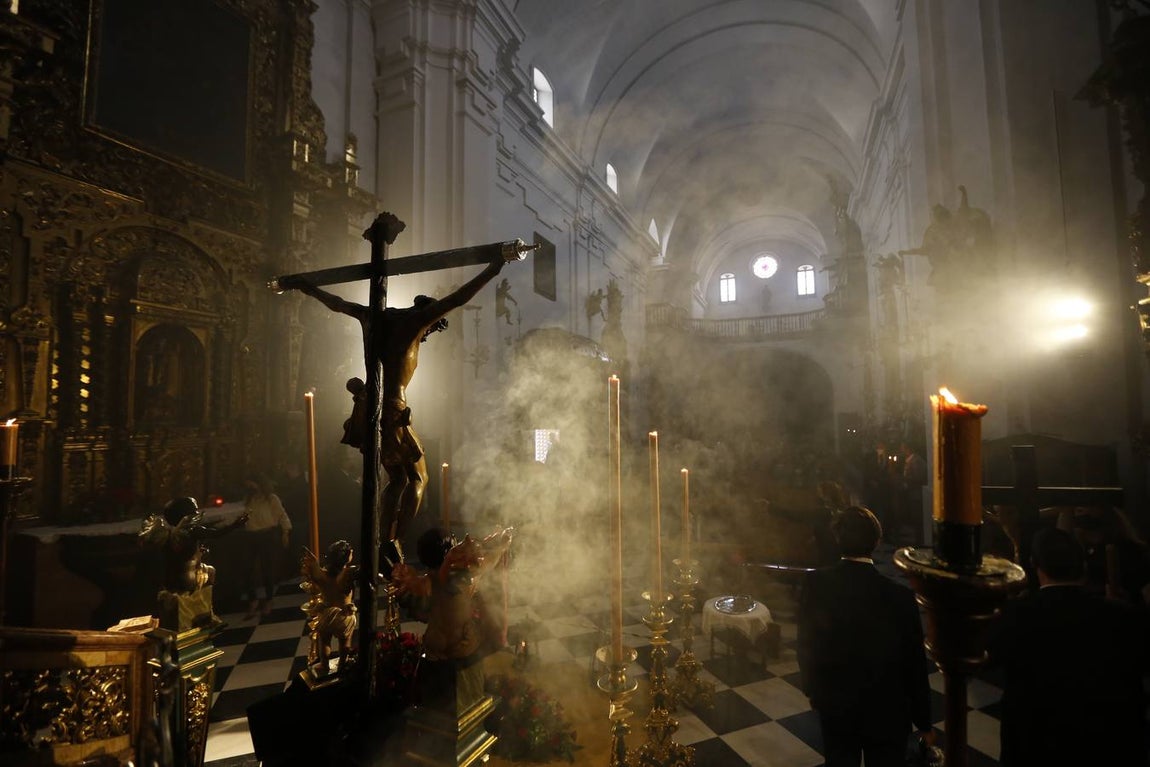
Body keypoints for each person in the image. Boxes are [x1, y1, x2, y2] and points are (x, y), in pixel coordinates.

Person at [281, 249, 510, 560]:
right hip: (392, 408)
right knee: (419, 477)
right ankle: (394, 539)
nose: (425, 337)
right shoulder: (415, 322)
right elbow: (458, 298)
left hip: (368, 407)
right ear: (430, 319)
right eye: (429, 332)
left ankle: (382, 536)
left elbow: (336, 303)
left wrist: (306, 287)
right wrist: (493, 268)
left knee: (398, 477)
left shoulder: (370, 315)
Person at [992, 527, 1148, 767]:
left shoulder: (1016, 615)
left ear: (1035, 564)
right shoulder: (1120, 615)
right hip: (1106, 741)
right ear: (1083, 566)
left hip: (1034, 742)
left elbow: (986, 658)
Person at [798, 506, 933, 767]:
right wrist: (924, 721)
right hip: (887, 709)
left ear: (838, 539)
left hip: (836, 702)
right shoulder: (900, 597)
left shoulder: (817, 584)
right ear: (877, 541)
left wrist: (813, 689)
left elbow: (806, 642)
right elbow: (914, 663)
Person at [241, 474, 292, 618]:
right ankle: (253, 600)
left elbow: (282, 515)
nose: (250, 487)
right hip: (251, 535)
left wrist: (285, 532)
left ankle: (269, 600)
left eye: (252, 484)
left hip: (266, 535)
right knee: (247, 568)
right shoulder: (249, 499)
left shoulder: (271, 498)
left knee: (266, 568)